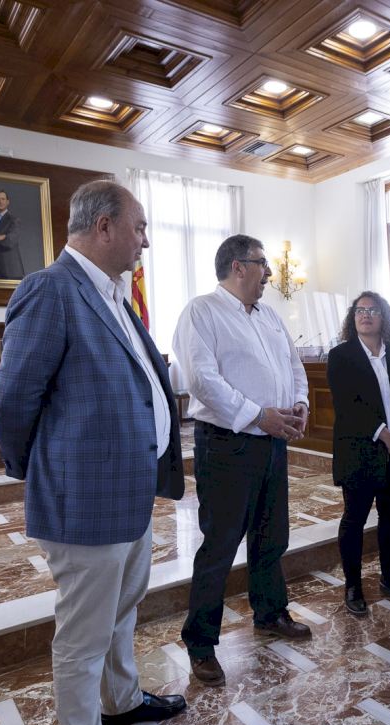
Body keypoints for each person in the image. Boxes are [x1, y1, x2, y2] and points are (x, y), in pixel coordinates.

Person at [0, 180, 187, 725]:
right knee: (82, 636)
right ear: (104, 226)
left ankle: (121, 701)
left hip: (130, 491)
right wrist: (41, 469)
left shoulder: (112, 295)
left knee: (121, 612)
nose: (145, 241)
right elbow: (12, 400)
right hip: (84, 500)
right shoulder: (51, 290)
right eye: (139, 227)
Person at [173, 234, 311, 687]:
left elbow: (293, 366)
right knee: (220, 545)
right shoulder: (202, 312)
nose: (269, 273)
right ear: (238, 266)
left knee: (272, 536)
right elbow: (202, 380)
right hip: (227, 445)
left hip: (272, 441)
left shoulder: (269, 315)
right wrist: (257, 415)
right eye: (262, 263)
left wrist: (300, 403)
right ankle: (200, 644)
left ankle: (270, 613)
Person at [327, 291, 390, 615]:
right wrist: (385, 435)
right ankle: (353, 585)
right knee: (354, 519)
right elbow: (347, 405)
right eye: (360, 310)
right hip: (359, 452)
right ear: (352, 318)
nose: (365, 315)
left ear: (385, 317)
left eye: (373, 310)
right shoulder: (341, 356)